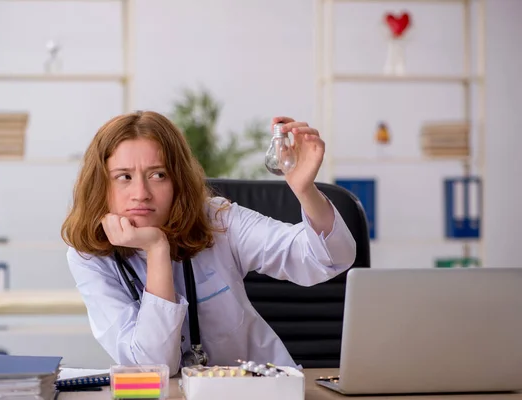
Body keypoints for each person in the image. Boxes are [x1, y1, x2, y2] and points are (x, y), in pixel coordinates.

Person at [61, 110, 356, 375]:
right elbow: (152, 366)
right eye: (123, 177)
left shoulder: (218, 220)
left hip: (261, 392)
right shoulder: (89, 256)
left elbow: (327, 259)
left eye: (158, 175)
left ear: (178, 181)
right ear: (102, 184)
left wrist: (305, 191)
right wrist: (157, 249)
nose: (141, 193)